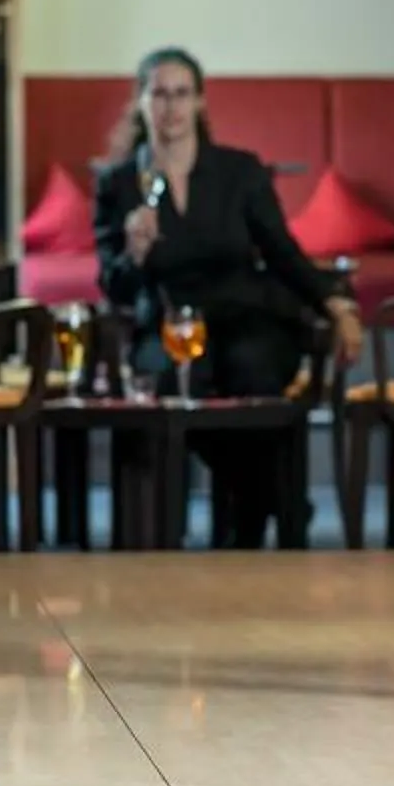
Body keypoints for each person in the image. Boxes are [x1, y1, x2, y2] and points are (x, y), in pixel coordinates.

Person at [94, 46, 366, 548]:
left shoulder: (240, 171)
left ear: (199, 102)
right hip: (170, 323)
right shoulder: (117, 184)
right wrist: (133, 254)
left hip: (247, 315)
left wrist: (336, 304)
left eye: (181, 94)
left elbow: (283, 252)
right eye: (159, 94)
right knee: (178, 379)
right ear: (141, 103)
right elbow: (113, 286)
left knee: (253, 371)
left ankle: (250, 515)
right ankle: (265, 500)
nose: (171, 108)